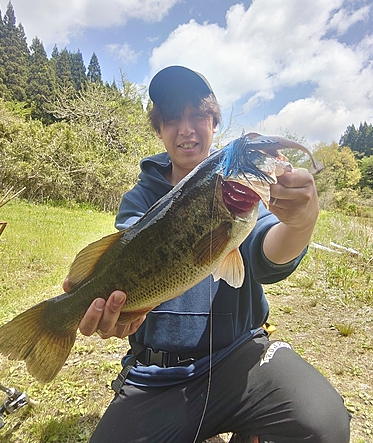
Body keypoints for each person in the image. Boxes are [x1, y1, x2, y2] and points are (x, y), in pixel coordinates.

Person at [63, 66, 351, 443]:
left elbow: (267, 251)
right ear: (159, 129)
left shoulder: (236, 184)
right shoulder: (139, 200)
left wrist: (300, 224)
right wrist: (115, 315)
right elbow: (128, 269)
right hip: (159, 376)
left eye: (198, 115)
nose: (186, 129)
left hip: (243, 357)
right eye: (172, 118)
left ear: (214, 123)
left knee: (322, 424)